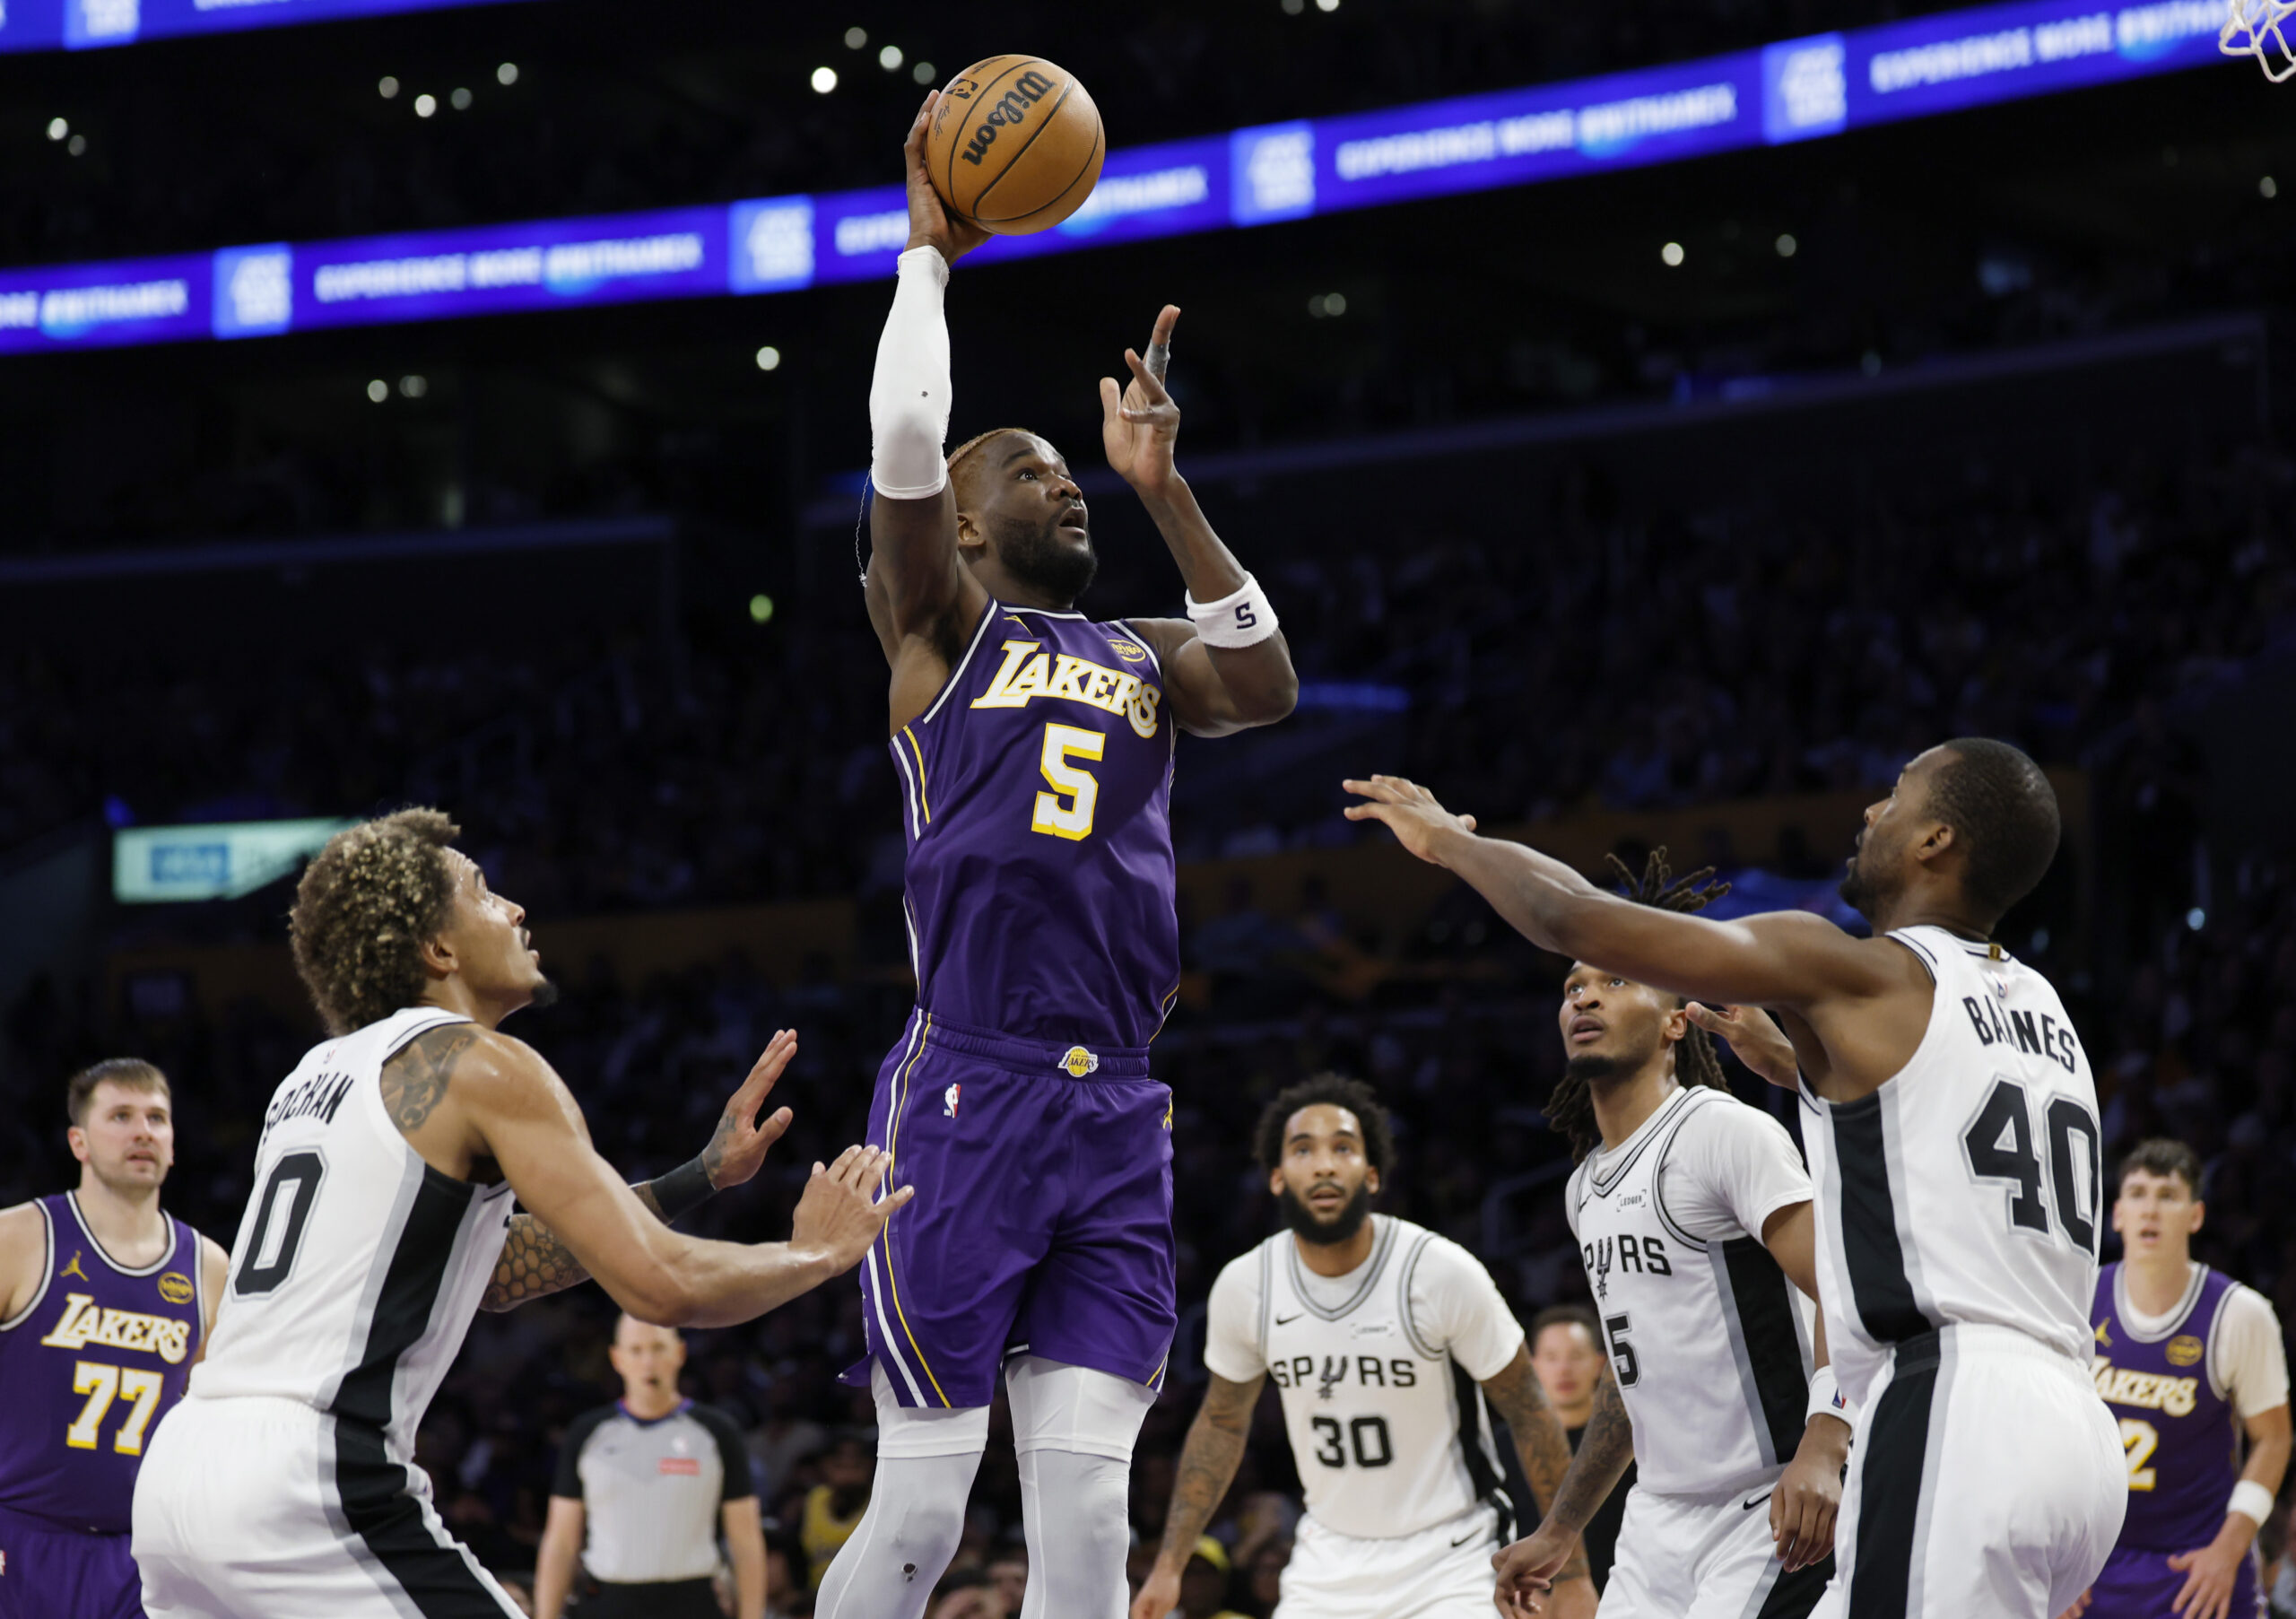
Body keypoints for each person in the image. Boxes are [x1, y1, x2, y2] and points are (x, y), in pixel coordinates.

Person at [823, 91, 1298, 1619]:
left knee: (1090, 1524)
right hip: (966, 1089)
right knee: (920, 1512)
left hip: (1118, 1107)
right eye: (1029, 472)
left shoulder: (1144, 650)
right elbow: (904, 432)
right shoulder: (936, 632)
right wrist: (925, 254)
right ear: (957, 524)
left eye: (1069, 472)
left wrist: (1169, 491)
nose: (1063, 485)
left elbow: (1269, 677)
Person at [1344, 740, 2125, 1619]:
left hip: (1956, 1405)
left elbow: (1573, 914)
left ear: (1935, 840)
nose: (1870, 811)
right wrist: (1799, 1066)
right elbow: (1934, 1132)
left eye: (1896, 795)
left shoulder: (1853, 967)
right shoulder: (2040, 1008)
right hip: (2076, 1432)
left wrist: (1448, 838)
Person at [131, 808, 906, 1618]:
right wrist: (815, 1253)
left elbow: (491, 1271)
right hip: (305, 1478)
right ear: (438, 949)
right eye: (484, 892)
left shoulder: (311, 1077)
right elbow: (664, 1285)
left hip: (182, 1469)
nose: (516, 909)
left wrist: (697, 1177)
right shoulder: (483, 1064)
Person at [1494, 855, 1850, 1619]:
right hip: (1656, 1517)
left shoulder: (1722, 1132)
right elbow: (1632, 1379)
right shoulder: (1583, 1187)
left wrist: (1826, 1441)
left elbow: (1845, 1287)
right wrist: (1561, 1528)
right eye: (1573, 985)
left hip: (1766, 1504)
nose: (1585, 992)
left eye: (1616, 979)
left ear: (1676, 1019)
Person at [1131, 1075, 1594, 1619]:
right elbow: (1222, 1424)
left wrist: (1576, 1571)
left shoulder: (1440, 1272)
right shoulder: (1247, 1284)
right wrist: (1169, 1564)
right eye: (1303, 1150)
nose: (1324, 1164)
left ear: (1372, 1175)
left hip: (1452, 1552)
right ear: (1277, 1178)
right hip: (1328, 1557)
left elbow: (1530, 1410)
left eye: (1343, 1148)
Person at [0, 1058, 229, 1619]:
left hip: (140, 1555)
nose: (142, 1131)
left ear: (173, 1145)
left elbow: (215, 1424)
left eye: (157, 1118)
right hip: (19, 1534)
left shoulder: (209, 1267)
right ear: (78, 1141)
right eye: (121, 1116)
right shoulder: (19, 1238)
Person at [2068, 1139, 2291, 1619]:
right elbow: (2045, 1434)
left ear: (2195, 1215)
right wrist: (2052, 1554)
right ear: (2117, 1214)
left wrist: (2230, 1549)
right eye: (2138, 1193)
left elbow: (2273, 1440)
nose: (2151, 1208)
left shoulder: (2240, 1313)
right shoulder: (2076, 1299)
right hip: (2089, 1566)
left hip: (2198, 1565)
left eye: (2168, 1195)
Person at [534, 1314, 769, 1619]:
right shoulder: (587, 1433)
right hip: (606, 1602)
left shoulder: (717, 1432)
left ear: (680, 1353)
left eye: (658, 1348)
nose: (648, 1362)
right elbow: (561, 1542)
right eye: (636, 1350)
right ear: (617, 1358)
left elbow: (746, 1541)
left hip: (692, 1602)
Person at [1526, 1307, 1631, 1594]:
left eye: (1575, 1356)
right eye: (1551, 1358)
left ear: (1600, 1363)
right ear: (1534, 1364)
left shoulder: (1632, 1440)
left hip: (1626, 1595)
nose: (1563, 1369)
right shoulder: (1506, 1446)